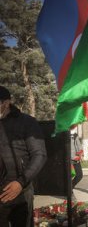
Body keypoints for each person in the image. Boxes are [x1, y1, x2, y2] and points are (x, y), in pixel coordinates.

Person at [0, 85, 47, 227]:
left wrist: (21, 182)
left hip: (20, 191)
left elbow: (40, 155)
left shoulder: (27, 122)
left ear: (6, 103)